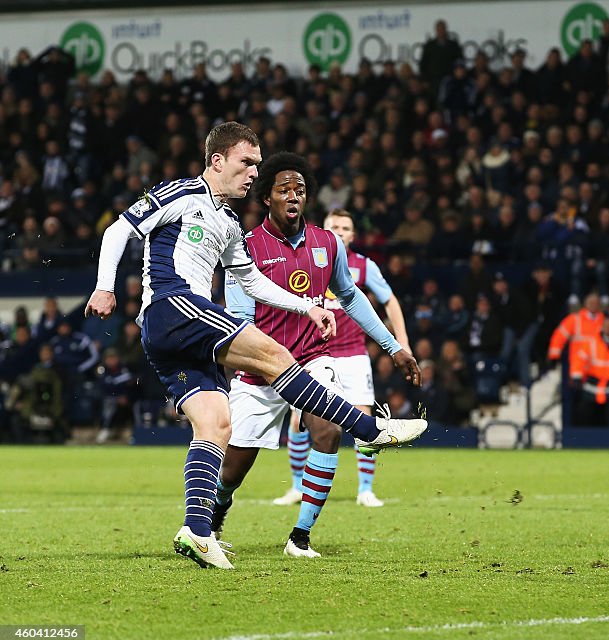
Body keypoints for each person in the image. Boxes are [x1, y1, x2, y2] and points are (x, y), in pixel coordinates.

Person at [84, 123, 427, 570]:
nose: (253, 172)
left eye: (257, 164)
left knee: (215, 424)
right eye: (247, 163)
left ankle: (198, 531)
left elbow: (251, 281)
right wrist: (104, 287)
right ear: (217, 161)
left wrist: (306, 308)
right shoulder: (181, 194)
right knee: (278, 358)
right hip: (173, 307)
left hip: (175, 337)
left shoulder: (228, 222)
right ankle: (370, 430)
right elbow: (117, 231)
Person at [214, 156, 417, 558]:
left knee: (328, 430)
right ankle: (216, 514)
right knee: (234, 468)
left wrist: (393, 345)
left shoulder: (327, 243)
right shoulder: (246, 247)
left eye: (300, 190)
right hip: (261, 369)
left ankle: (300, 537)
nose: (293, 196)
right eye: (284, 190)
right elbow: (239, 319)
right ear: (267, 197)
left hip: (312, 359)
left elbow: (351, 297)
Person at [273, 208, 411, 510]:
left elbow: (390, 300)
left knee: (362, 415)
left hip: (352, 354)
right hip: (312, 353)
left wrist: (402, 343)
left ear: (352, 235)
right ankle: (297, 486)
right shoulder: (306, 261)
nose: (339, 231)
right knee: (299, 421)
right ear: (323, 229)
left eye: (345, 227)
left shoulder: (363, 266)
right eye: (333, 226)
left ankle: (365, 489)